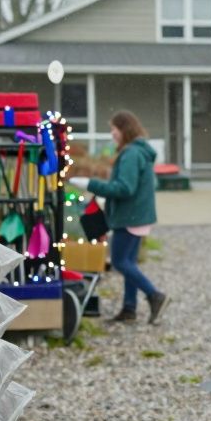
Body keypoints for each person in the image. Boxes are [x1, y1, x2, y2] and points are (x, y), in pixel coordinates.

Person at [68, 111, 170, 325]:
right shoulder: (139, 151)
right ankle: (129, 308)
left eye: (114, 129)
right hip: (137, 215)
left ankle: (155, 296)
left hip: (129, 217)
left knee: (120, 262)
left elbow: (125, 188)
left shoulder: (131, 154)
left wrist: (90, 184)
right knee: (129, 263)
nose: (112, 134)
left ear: (124, 129)